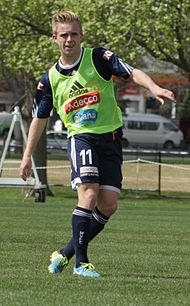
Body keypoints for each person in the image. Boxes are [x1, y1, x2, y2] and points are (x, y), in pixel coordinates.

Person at [20, 11, 176, 278]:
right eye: (64, 35)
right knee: (89, 195)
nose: (69, 40)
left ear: (81, 36)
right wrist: (26, 157)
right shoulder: (49, 80)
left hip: (112, 138)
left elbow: (132, 72)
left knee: (108, 205)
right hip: (82, 137)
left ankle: (65, 253)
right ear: (54, 38)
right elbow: (39, 119)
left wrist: (153, 87)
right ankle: (81, 263)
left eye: (74, 34)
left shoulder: (98, 58)